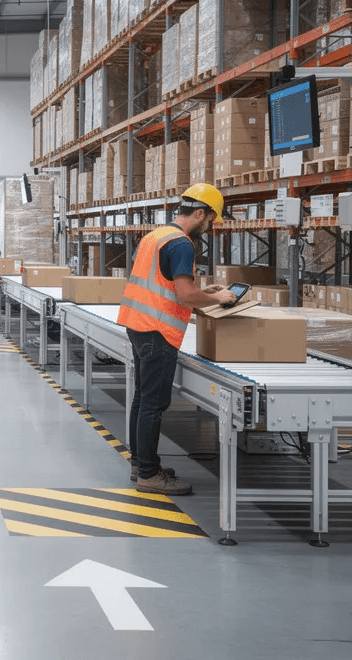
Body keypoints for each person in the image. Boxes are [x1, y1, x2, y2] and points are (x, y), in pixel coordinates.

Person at [117, 183, 235, 496]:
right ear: (199, 213)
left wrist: (203, 295)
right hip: (157, 331)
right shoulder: (182, 244)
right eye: (210, 220)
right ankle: (148, 474)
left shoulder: (155, 235)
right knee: (153, 404)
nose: (209, 227)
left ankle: (141, 463)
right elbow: (184, 294)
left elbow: (163, 283)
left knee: (142, 399)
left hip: (137, 324)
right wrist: (218, 297)